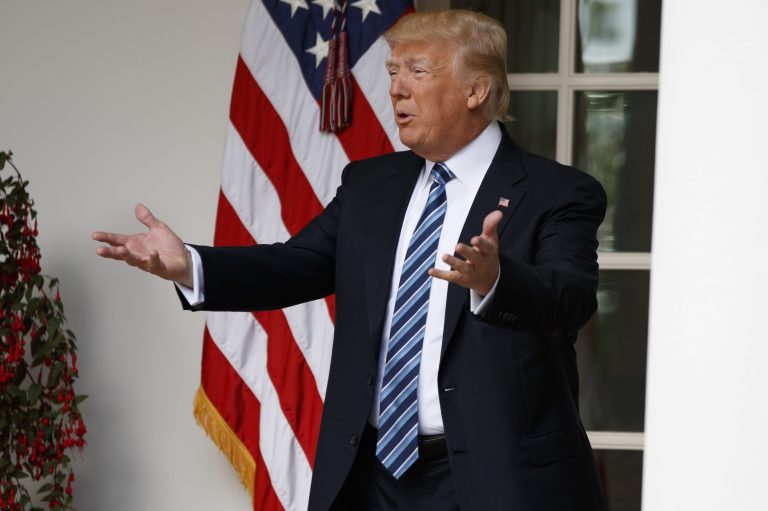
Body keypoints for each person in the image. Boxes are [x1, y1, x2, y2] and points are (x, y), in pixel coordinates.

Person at [93, 9, 606, 511]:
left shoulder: (558, 192)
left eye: (417, 72)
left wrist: (497, 281)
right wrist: (189, 264)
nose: (396, 89)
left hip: (495, 478)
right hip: (371, 476)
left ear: (476, 91)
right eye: (392, 71)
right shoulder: (369, 185)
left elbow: (571, 299)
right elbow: (295, 265)